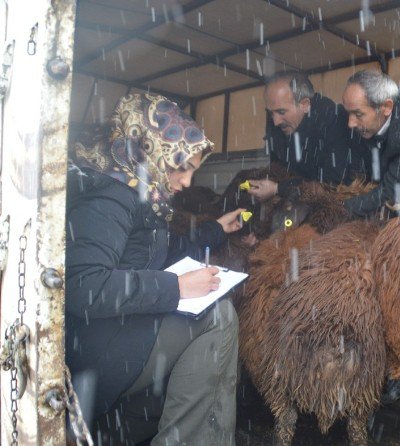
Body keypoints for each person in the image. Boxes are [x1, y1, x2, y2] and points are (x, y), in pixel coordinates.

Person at [65, 93, 245, 445]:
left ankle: (124, 428)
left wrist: (215, 229)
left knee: (212, 315)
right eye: (182, 167)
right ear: (150, 150)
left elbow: (159, 251)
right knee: (219, 318)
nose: (189, 182)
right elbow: (82, 287)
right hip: (92, 352)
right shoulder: (110, 196)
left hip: (113, 335)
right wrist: (176, 289)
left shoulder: (139, 191)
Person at [247, 70, 368, 201]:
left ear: (304, 105)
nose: (276, 121)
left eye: (281, 111)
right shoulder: (279, 124)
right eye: (271, 113)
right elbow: (278, 167)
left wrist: (277, 189)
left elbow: (333, 184)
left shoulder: (335, 122)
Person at [341, 70, 400, 217]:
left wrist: (342, 208)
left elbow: (391, 193)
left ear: (386, 107)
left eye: (358, 114)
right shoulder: (367, 126)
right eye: (348, 113)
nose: (350, 123)